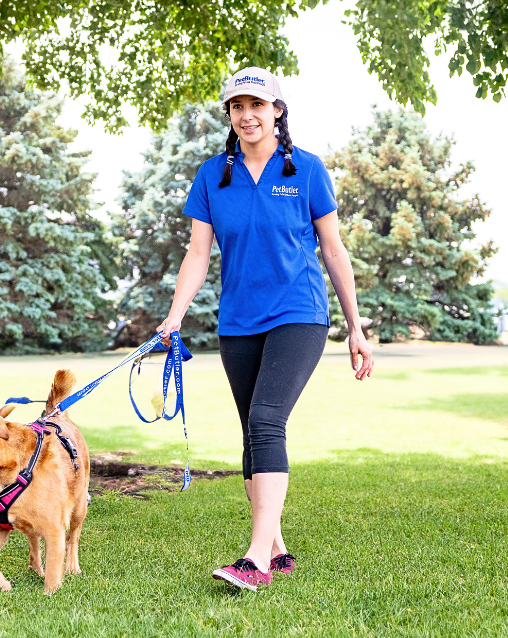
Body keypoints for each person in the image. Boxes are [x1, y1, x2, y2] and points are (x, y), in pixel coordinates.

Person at [157, 67, 374, 592]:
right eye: (237, 106)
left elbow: (333, 249)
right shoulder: (213, 175)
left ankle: (254, 558)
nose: (247, 115)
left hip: (299, 312)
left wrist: (356, 326)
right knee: (253, 432)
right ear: (230, 115)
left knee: (266, 418)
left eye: (257, 104)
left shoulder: (306, 170)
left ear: (278, 110)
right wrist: (175, 314)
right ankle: (276, 547)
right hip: (238, 321)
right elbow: (198, 254)